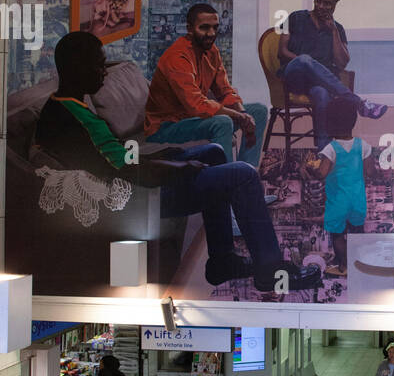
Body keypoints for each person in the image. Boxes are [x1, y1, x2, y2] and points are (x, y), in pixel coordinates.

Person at [35, 32, 319, 293]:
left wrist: (163, 155)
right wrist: (178, 168)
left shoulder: (74, 103)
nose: (104, 73)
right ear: (75, 67)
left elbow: (114, 155)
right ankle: (269, 272)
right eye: (99, 66)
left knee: (213, 153)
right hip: (142, 197)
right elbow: (113, 172)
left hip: (137, 175)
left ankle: (222, 261)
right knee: (243, 174)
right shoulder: (63, 119)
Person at [145, 3, 269, 168]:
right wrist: (239, 117)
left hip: (192, 120)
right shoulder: (177, 57)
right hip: (166, 127)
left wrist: (244, 113)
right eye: (204, 28)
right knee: (223, 122)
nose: (211, 33)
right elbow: (196, 105)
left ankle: (246, 175)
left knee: (258, 111)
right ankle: (226, 185)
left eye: (215, 27)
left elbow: (225, 91)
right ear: (189, 29)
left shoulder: (212, 51)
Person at [276, 0, 387, 151]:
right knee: (305, 60)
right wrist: (305, 63)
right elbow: (282, 51)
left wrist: (333, 31)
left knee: (322, 94)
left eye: (327, 3)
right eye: (318, 0)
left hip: (318, 84)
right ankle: (359, 102)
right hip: (295, 76)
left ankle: (324, 152)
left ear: (335, 5)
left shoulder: (338, 29)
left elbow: (342, 63)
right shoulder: (295, 17)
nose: (320, 6)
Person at [304, 97, 371, 277]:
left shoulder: (330, 149)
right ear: (353, 121)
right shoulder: (363, 145)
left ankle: (344, 266)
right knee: (357, 232)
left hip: (338, 203)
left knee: (338, 235)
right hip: (358, 200)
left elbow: (322, 174)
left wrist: (311, 168)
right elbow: (370, 172)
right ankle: (361, 263)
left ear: (329, 124)